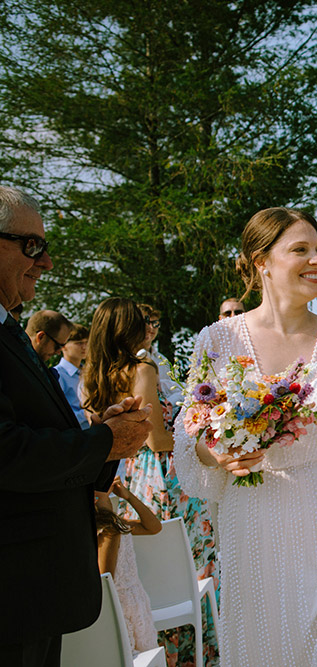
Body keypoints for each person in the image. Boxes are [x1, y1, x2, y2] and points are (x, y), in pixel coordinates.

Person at [174, 207, 317, 666]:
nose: (316, 260)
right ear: (261, 261)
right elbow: (191, 438)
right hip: (256, 526)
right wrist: (220, 452)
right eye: (300, 250)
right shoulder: (217, 340)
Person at [0, 185, 151, 667]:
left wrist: (98, 435)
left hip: (34, 592)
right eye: (32, 246)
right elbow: (7, 452)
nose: (45, 263)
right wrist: (104, 441)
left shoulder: (8, 330)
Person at [82, 297, 220, 667]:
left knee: (155, 571)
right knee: (193, 562)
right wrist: (198, 435)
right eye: (141, 320)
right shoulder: (142, 367)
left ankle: (166, 653)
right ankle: (194, 655)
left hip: (128, 475)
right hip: (165, 475)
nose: (148, 326)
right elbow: (156, 440)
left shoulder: (96, 373)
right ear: (127, 328)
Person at [96, 477, 162, 656]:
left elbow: (154, 527)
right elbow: (106, 580)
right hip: (122, 610)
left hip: (134, 604)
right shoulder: (108, 532)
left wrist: (128, 496)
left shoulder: (117, 526)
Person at [137, 303, 182, 408]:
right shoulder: (126, 357)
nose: (151, 328)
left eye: (155, 323)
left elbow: (169, 391)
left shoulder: (161, 360)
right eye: (146, 322)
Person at [54, 323, 90, 428]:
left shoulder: (89, 372)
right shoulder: (58, 374)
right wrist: (88, 412)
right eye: (79, 343)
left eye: (86, 342)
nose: (84, 347)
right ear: (64, 345)